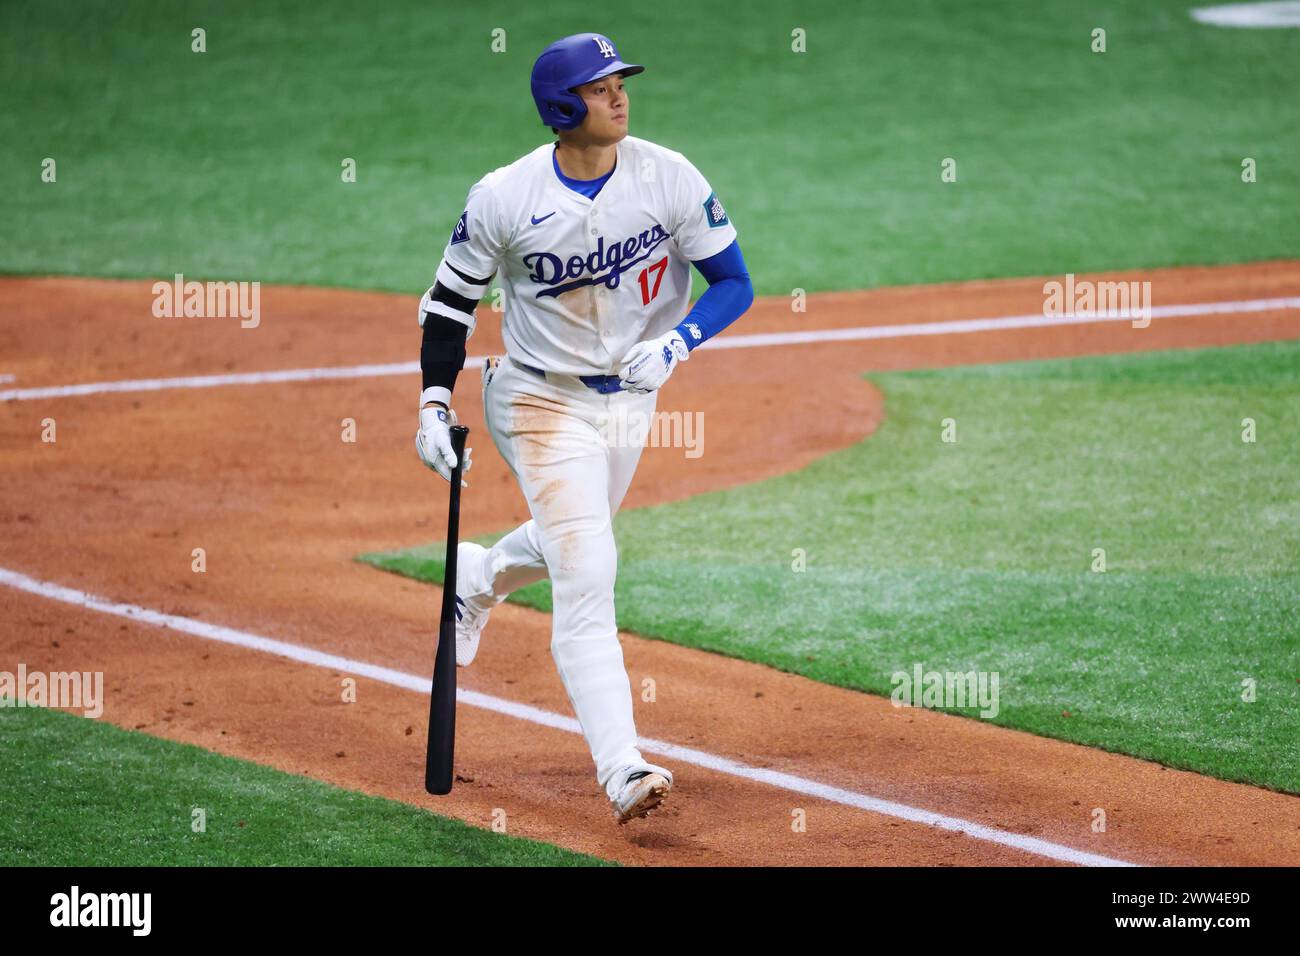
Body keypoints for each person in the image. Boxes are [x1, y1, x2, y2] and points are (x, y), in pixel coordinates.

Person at [414, 32, 753, 824]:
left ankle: (478, 578)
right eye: (603, 88)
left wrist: (677, 341)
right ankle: (622, 768)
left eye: (619, 83)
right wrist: (434, 401)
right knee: (589, 569)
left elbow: (734, 281)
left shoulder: (667, 175)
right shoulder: (504, 196)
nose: (620, 96)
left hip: (629, 401)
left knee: (577, 535)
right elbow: (448, 305)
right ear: (565, 107)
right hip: (537, 400)